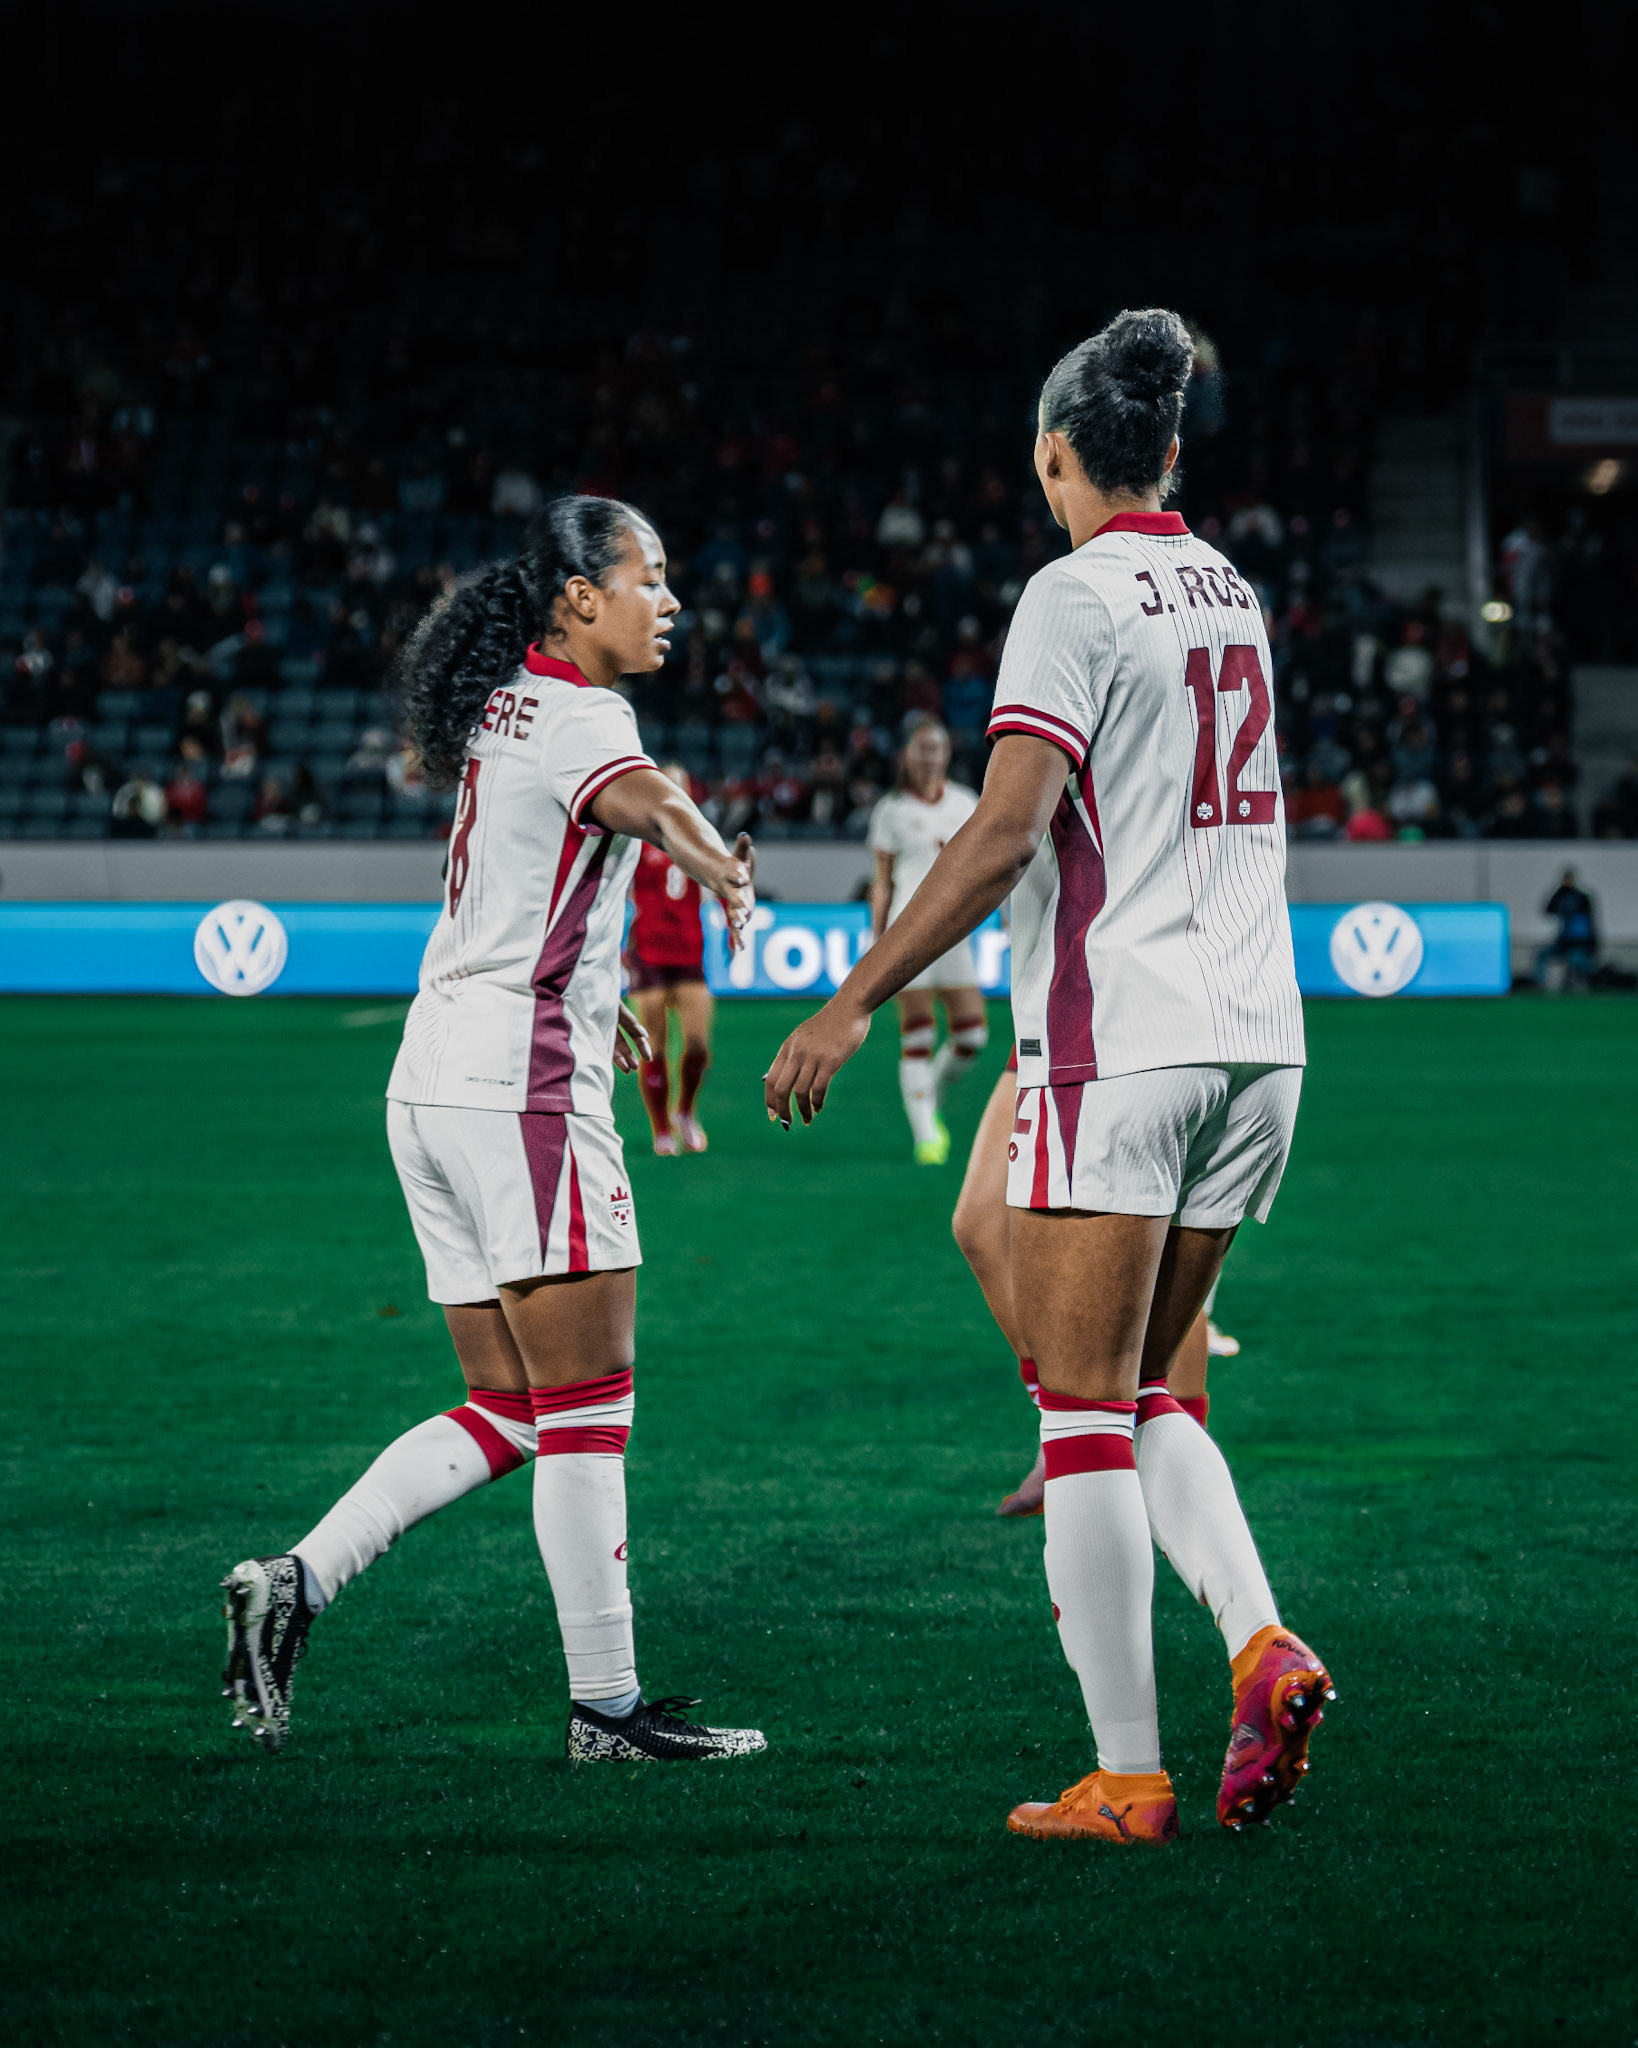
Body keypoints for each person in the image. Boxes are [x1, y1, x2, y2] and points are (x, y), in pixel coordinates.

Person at [767, 309, 1332, 1845]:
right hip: (1256, 1042)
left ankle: (1128, 1778)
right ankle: (1258, 1642)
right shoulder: (1230, 591)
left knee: (1085, 1416)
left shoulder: (1066, 595)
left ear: (1054, 455)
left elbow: (1007, 829)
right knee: (1133, 1377)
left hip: (1123, 1037)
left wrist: (852, 1001)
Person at [221, 496, 767, 1765]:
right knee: (586, 1411)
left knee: (510, 1405)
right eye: (652, 574)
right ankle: (609, 1709)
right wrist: (723, 866)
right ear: (580, 594)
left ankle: (297, 1578)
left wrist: (600, 998)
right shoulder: (586, 714)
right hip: (519, 1091)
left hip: (438, 1072)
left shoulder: (506, 703)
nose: (671, 599)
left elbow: (534, 875)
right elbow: (647, 802)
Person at [952, 1049, 1215, 1520]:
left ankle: (1174, 1483)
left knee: (1147, 1252)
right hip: (1048, 1009)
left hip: (1129, 1018)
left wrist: (850, 1008)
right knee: (981, 1228)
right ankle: (1065, 1434)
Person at [867, 716, 987, 1163]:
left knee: (971, 1036)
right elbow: (882, 881)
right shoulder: (891, 810)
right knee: (917, 1033)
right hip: (908, 929)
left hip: (955, 928)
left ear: (947, 754)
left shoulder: (966, 803)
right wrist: (877, 936)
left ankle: (926, 1099)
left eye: (936, 748)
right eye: (921, 748)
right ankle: (926, 1135)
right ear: (908, 754)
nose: (929, 756)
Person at [625, 764, 715, 1155]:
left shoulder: (702, 839)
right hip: (648, 951)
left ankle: (685, 1112)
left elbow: (723, 881)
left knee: (697, 1044)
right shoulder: (633, 840)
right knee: (655, 1044)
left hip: (689, 951)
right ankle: (661, 1128)